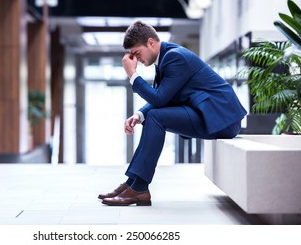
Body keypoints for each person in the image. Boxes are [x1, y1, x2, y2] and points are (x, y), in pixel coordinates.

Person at [99, 20, 247, 206]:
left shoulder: (175, 57)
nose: (136, 60)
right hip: (205, 113)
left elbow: (160, 99)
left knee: (156, 117)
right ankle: (133, 184)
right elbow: (164, 96)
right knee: (152, 116)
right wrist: (140, 114)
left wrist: (133, 75)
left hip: (220, 119)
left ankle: (139, 188)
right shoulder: (165, 59)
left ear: (151, 42)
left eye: (137, 53)